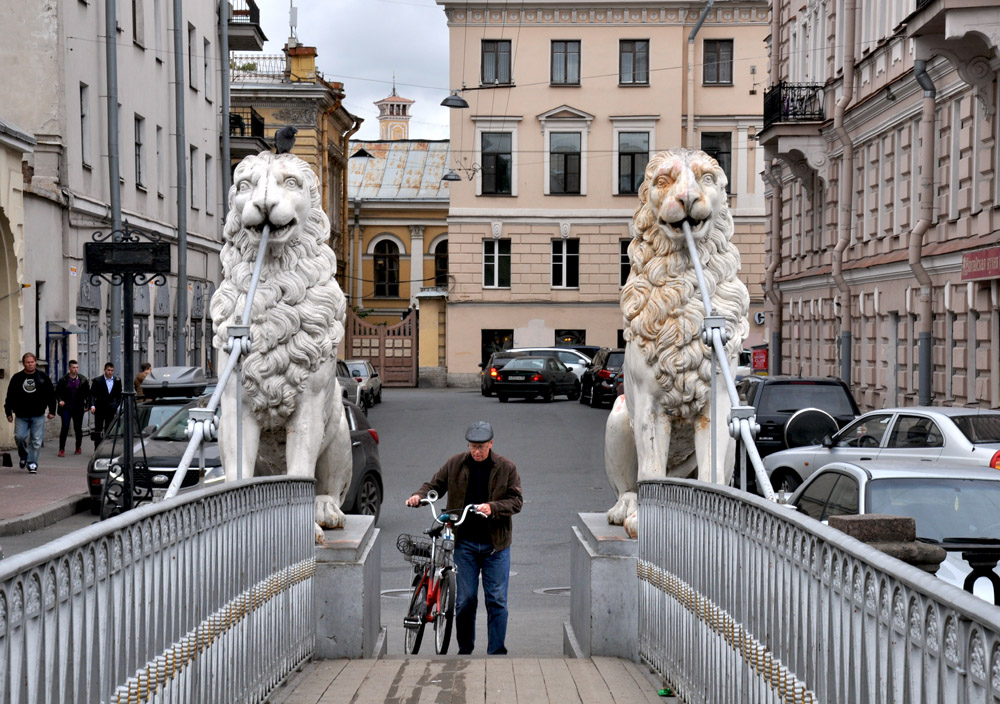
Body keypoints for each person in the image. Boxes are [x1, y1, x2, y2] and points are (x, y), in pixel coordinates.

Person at [406, 421, 522, 655]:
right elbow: (434, 486)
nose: (476, 452)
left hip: (495, 545)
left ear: (491, 444)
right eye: (472, 447)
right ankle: (465, 650)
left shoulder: (507, 468)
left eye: (481, 447)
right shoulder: (455, 463)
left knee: (497, 600)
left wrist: (493, 507)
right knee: (465, 600)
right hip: (465, 544)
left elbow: (516, 501)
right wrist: (418, 497)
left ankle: (496, 651)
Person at [3, 352, 56, 473]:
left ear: (36, 362)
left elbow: (50, 395)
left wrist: (52, 410)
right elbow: (10, 396)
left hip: (38, 414)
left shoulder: (42, 377)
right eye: (28, 362)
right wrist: (8, 413)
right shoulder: (17, 378)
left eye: (32, 362)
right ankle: (23, 456)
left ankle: (32, 463)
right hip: (21, 414)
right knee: (19, 437)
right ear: (24, 363)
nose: (30, 364)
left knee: (36, 440)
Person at [55, 359, 91, 456]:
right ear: (69, 368)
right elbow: (57, 393)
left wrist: (87, 404)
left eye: (77, 367)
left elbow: (88, 394)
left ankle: (78, 447)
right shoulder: (63, 380)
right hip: (66, 407)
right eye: (73, 367)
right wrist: (60, 400)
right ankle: (61, 449)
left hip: (78, 407)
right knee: (65, 427)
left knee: (78, 428)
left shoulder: (82, 380)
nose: (75, 369)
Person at [89, 362, 122, 446]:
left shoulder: (117, 380)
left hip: (111, 409)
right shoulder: (97, 380)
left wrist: (116, 405)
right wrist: (92, 405)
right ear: (104, 370)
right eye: (108, 370)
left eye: (112, 370)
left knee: (109, 429)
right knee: (98, 429)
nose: (110, 372)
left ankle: (107, 446)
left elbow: (119, 395)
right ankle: (97, 448)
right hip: (99, 408)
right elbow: (92, 394)